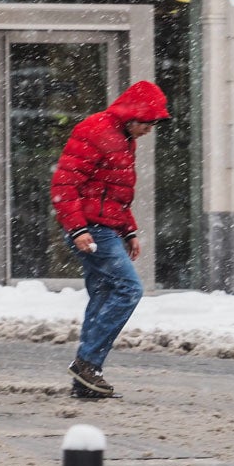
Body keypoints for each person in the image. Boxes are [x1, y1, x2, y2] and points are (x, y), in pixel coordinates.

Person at [52, 80, 170, 398]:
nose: (150, 130)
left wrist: (129, 230)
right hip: (92, 229)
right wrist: (77, 229)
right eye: (149, 123)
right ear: (134, 114)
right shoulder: (97, 131)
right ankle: (87, 363)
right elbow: (63, 185)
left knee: (104, 294)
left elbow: (113, 195)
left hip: (106, 228)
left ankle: (87, 376)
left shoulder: (123, 136)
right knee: (129, 289)